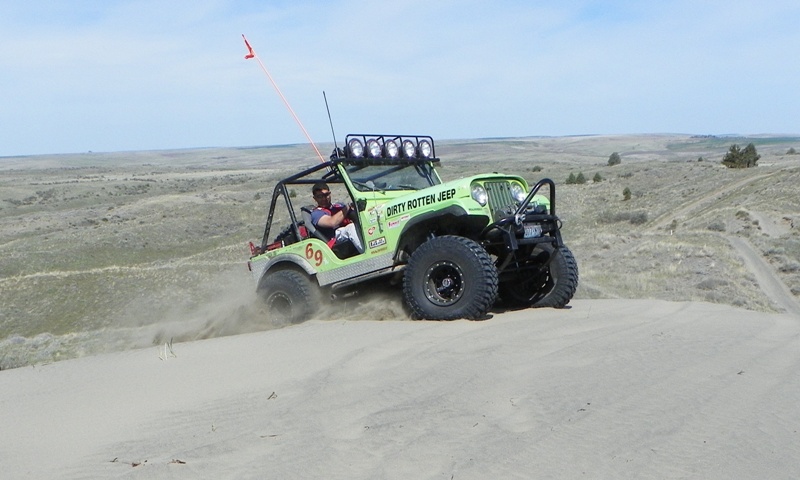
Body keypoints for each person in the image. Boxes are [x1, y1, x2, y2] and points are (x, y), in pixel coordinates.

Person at [310, 182, 364, 254]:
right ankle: (365, 252)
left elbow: (353, 214)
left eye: (326, 195)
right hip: (335, 237)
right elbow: (332, 222)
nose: (324, 198)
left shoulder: (339, 206)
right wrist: (347, 207)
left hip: (347, 232)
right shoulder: (316, 213)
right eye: (320, 196)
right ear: (315, 198)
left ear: (330, 194)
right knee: (350, 228)